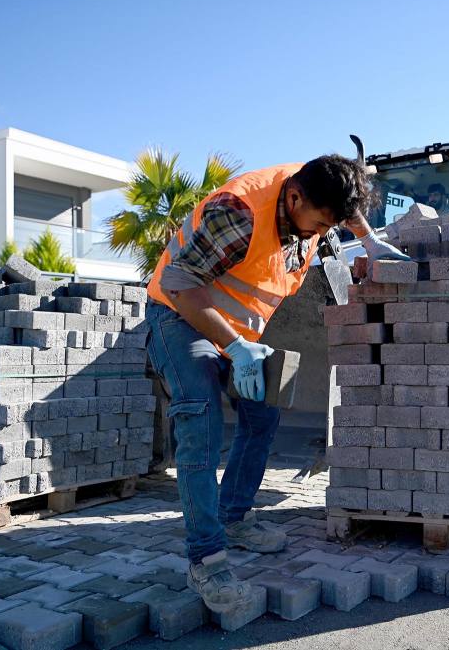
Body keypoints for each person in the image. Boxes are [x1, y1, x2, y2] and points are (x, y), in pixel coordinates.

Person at [144, 154, 409, 613]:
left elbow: (343, 209)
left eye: (332, 225)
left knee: (263, 414)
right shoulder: (240, 212)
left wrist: (369, 242)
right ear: (295, 198)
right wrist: (236, 347)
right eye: (320, 223)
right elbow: (180, 283)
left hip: (236, 331)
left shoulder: (319, 188)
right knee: (199, 419)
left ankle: (234, 518)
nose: (323, 233)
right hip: (180, 315)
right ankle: (206, 559)